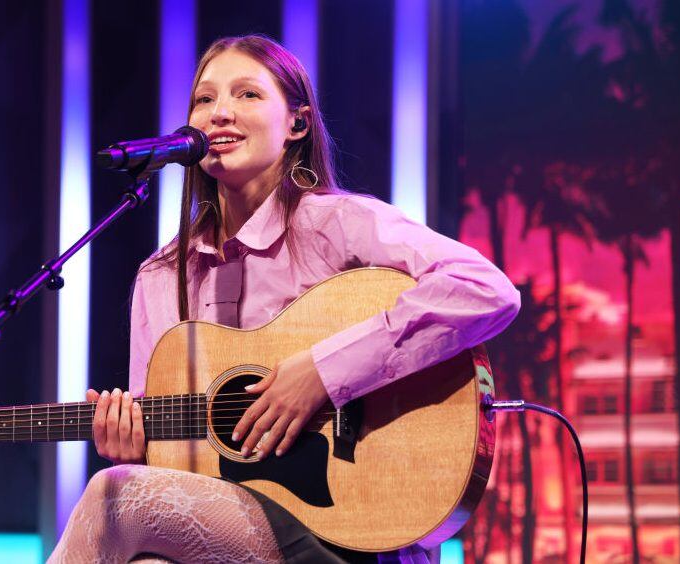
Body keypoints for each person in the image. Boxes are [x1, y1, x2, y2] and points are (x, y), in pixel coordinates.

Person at [48, 35, 520, 563]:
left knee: (114, 496)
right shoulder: (161, 275)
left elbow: (485, 289)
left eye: (247, 94)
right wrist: (134, 447)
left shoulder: (338, 225)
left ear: (297, 123)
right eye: (204, 99)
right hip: (231, 523)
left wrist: (324, 372)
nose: (220, 112)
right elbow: (173, 467)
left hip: (347, 532)